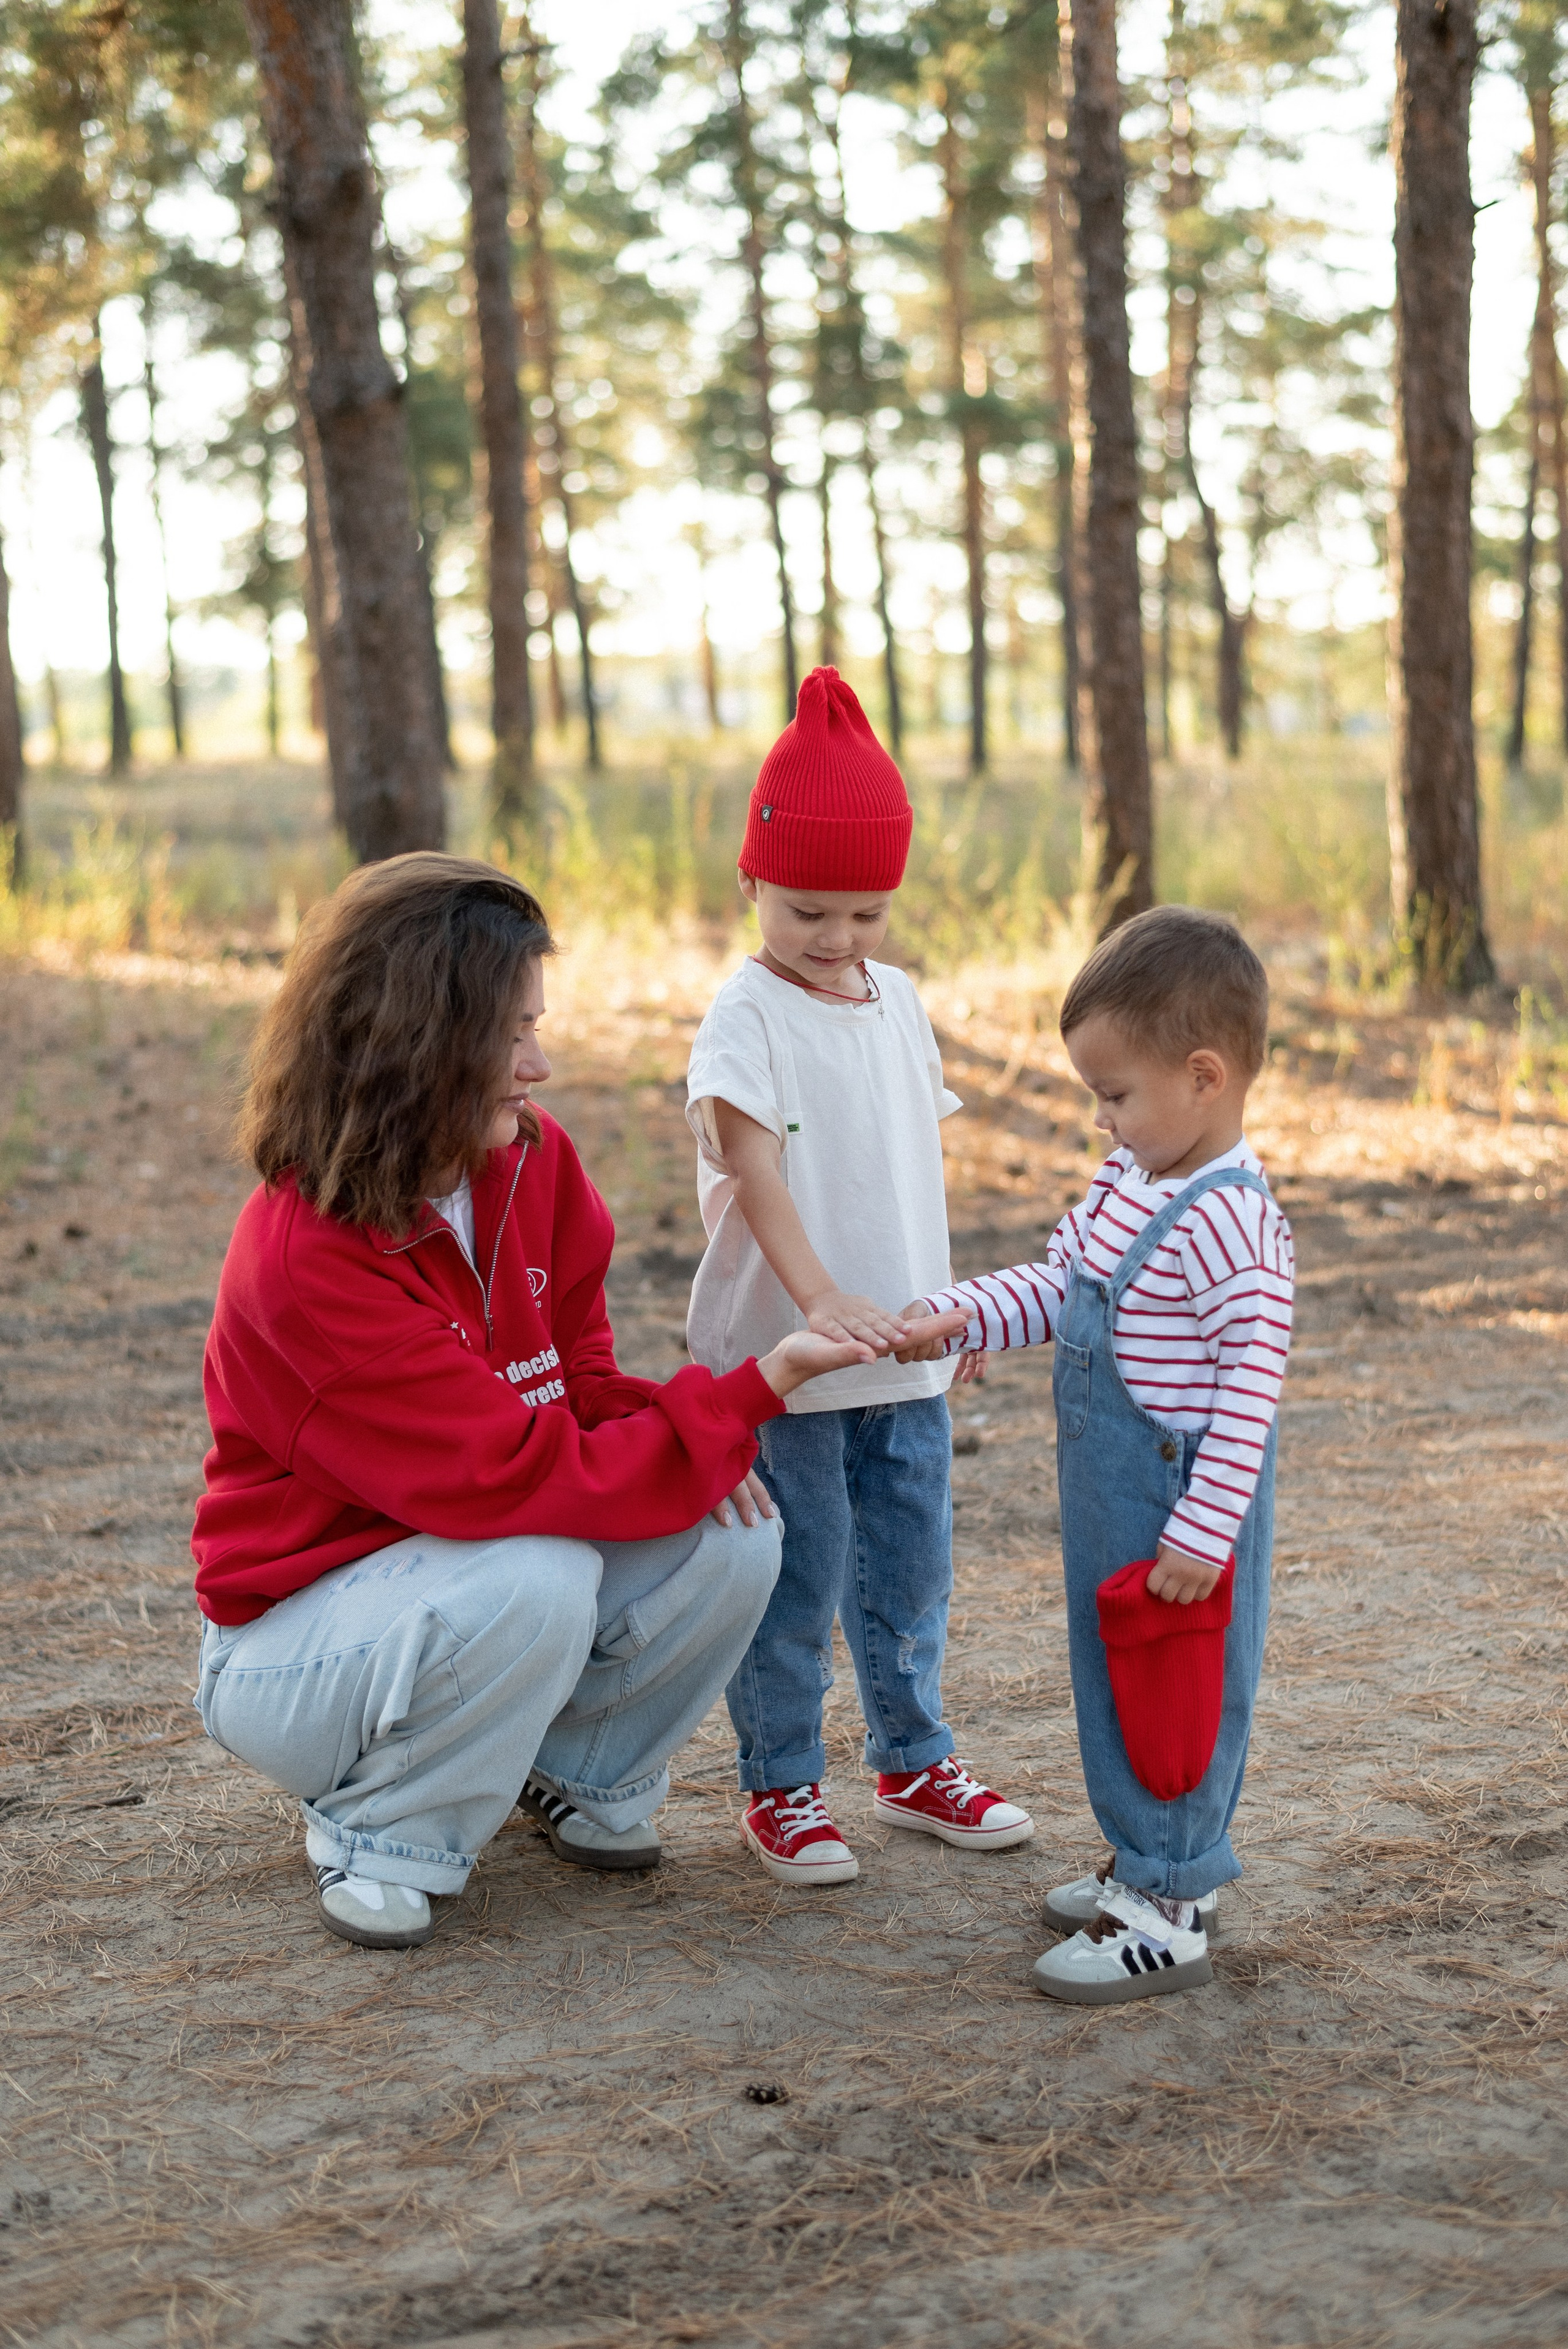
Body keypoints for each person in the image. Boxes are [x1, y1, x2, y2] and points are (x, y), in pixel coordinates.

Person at [192, 854, 876, 1953]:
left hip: (463, 1574)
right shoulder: (305, 1258)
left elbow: (581, 1383)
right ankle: (379, 1826)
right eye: (510, 1037)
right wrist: (754, 1391)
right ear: (420, 1043)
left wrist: (700, 1442)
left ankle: (578, 1775)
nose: (539, 1065)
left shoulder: (532, 1161)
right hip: (294, 1643)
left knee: (734, 1526)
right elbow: (513, 1473)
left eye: (536, 1029)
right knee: (541, 1570)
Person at [899, 906, 1294, 2001]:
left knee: (1174, 1693)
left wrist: (1203, 1533)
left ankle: (1169, 1903)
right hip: (1112, 1495)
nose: (1103, 1119)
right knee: (1116, 1679)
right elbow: (1059, 1284)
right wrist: (965, 1314)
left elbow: (1252, 1390)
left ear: (1204, 1077)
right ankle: (1146, 1856)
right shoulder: (1130, 1180)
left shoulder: (1230, 1221)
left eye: (1115, 1095)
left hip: (1178, 1506)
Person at [684, 666, 1034, 1885]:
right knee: (797, 1577)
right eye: (806, 911)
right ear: (752, 882)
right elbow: (753, 1169)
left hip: (904, 1354)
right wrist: (818, 1296)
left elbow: (908, 1161)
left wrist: (950, 1298)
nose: (836, 939)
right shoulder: (745, 1016)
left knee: (910, 1569)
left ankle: (912, 1759)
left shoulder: (900, 1003)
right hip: (791, 1363)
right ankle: (780, 1782)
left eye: (865, 913)